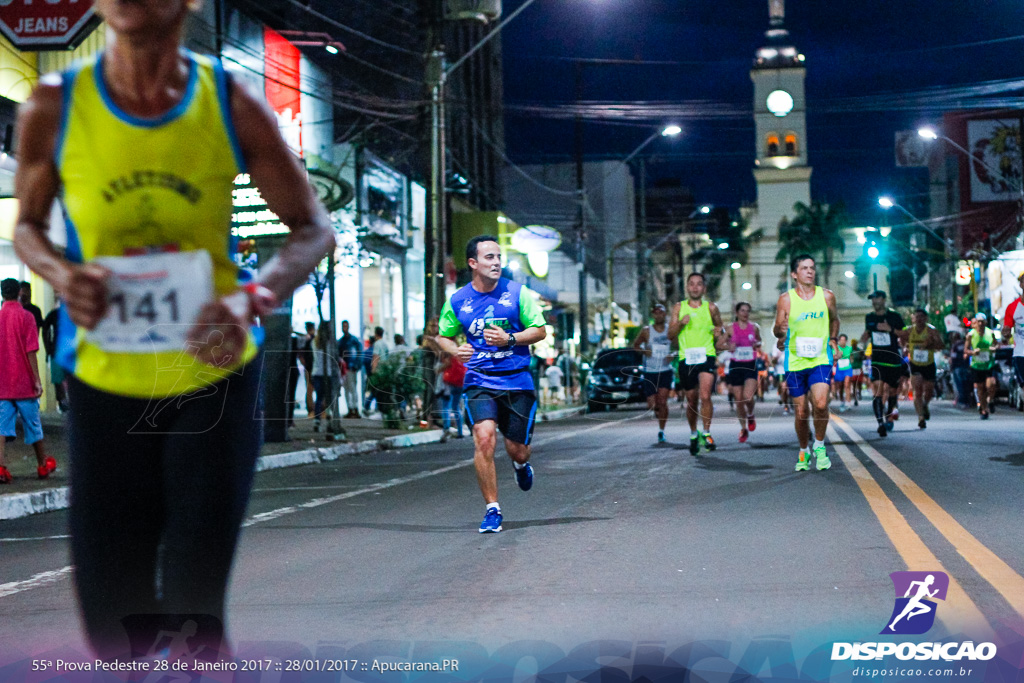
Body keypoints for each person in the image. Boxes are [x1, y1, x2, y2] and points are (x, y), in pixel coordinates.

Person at [11, 0, 334, 659]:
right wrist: (61, 272)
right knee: (112, 624)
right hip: (104, 373)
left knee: (192, 601)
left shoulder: (232, 100)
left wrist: (256, 295)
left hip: (212, 364)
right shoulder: (55, 102)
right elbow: (27, 226)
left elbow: (314, 228)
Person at [436, 235, 547, 533]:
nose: (496, 262)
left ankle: (521, 466)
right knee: (484, 438)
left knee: (518, 449)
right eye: (489, 257)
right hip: (479, 380)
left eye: (498, 257)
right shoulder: (458, 300)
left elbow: (539, 330)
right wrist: (454, 350)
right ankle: (493, 510)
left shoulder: (517, 294)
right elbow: (443, 335)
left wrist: (510, 338)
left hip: (516, 381)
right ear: (473, 263)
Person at [772, 254, 840, 472]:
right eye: (804, 268)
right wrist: (779, 330)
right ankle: (803, 449)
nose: (809, 271)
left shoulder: (827, 296)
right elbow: (777, 330)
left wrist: (833, 339)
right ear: (794, 274)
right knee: (801, 412)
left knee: (820, 403)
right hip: (795, 361)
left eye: (812, 268)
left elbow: (834, 320)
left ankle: (819, 445)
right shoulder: (786, 299)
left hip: (820, 358)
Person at [0, 278, 56, 484]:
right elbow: (31, 350)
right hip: (24, 383)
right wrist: (37, 380)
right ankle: (42, 465)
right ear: (19, 294)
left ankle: (1, 467)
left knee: (1, 427)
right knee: (33, 425)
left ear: (2, 294)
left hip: (3, 384)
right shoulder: (27, 317)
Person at [668, 272, 724, 455]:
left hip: (706, 355)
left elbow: (720, 330)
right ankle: (694, 433)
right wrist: (681, 324)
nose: (695, 287)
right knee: (691, 399)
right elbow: (670, 335)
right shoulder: (679, 307)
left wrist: (718, 333)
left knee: (705, 395)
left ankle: (706, 433)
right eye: (691, 284)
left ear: (704, 288)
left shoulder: (711, 308)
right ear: (687, 287)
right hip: (687, 358)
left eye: (699, 284)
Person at [860, 291, 906, 438]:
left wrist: (890, 330)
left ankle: (889, 415)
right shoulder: (870, 317)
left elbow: (904, 334)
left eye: (877, 298)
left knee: (892, 392)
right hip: (877, 360)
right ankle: (880, 424)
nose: (874, 301)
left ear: (884, 299)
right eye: (872, 299)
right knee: (878, 391)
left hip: (892, 360)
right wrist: (861, 344)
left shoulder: (894, 316)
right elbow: (867, 333)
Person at [632, 303, 676, 443]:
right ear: (653, 315)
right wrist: (645, 351)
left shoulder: (670, 331)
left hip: (665, 370)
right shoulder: (646, 331)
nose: (659, 315)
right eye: (656, 313)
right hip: (650, 371)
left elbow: (678, 347)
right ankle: (659, 414)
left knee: (662, 401)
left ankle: (661, 431)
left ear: (665, 315)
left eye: (661, 312)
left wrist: (673, 355)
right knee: (652, 404)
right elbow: (636, 345)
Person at [899, 309, 944, 429]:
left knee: (929, 391)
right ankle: (921, 417)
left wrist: (930, 344)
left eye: (921, 317)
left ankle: (925, 405)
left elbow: (941, 345)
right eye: (916, 317)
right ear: (913, 318)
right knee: (917, 391)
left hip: (929, 364)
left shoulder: (931, 330)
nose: (919, 319)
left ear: (926, 318)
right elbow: (901, 339)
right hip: (915, 364)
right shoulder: (909, 331)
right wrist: (905, 347)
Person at [724, 301, 761, 443]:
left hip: (750, 365)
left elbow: (759, 342)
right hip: (735, 366)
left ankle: (750, 414)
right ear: (737, 313)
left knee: (748, 397)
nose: (745, 313)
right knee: (739, 400)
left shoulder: (754, 327)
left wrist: (756, 344)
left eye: (747, 311)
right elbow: (719, 344)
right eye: (742, 311)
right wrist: (729, 346)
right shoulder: (730, 329)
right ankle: (743, 428)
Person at [965, 313, 999, 419]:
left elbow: (997, 344)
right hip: (977, 365)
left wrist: (995, 348)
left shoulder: (990, 333)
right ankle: (984, 410)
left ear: (985, 322)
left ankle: (990, 400)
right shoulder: (971, 334)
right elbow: (966, 350)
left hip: (988, 364)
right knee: (980, 388)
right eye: (978, 321)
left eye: (982, 322)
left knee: (991, 385)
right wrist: (973, 352)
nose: (980, 324)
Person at [311, 322, 342, 432]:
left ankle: (317, 420)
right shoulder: (330, 343)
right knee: (330, 398)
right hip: (328, 373)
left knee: (319, 398)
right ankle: (330, 420)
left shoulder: (314, 342)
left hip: (316, 372)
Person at [42, 298, 70, 412]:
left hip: (70, 355)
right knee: (58, 380)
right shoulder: (53, 315)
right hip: (56, 354)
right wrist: (48, 349)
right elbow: (45, 330)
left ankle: (67, 404)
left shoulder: (72, 315)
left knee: (67, 380)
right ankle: (62, 403)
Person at [1002, 271, 1024, 410]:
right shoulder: (1012, 307)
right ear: (1021, 285)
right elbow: (1006, 329)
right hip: (1021, 353)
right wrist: (1005, 333)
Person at [337, 319, 363, 418]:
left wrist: (356, 365)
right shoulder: (341, 341)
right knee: (347, 389)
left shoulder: (353, 340)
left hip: (351, 367)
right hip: (345, 368)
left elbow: (359, 352)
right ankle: (351, 408)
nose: (345, 328)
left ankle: (354, 408)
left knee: (352, 388)